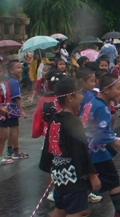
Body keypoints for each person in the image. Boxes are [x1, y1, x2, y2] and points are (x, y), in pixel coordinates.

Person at [39, 77, 101, 217]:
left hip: (59, 174)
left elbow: (48, 148)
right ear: (70, 98)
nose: (82, 97)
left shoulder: (55, 120)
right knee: (76, 212)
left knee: (61, 209)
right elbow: (81, 152)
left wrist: (50, 169)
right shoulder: (73, 122)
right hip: (72, 176)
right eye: (79, 93)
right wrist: (92, 175)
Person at [80, 73, 120, 217]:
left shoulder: (92, 102)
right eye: (118, 89)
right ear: (107, 89)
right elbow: (103, 133)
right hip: (96, 151)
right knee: (112, 179)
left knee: (89, 182)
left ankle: (77, 207)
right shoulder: (102, 108)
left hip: (86, 148)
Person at [6, 61, 29, 159]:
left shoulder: (11, 81)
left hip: (9, 108)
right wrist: (22, 110)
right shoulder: (14, 82)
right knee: (15, 130)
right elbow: (16, 97)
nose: (21, 70)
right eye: (18, 68)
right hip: (13, 108)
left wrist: (21, 105)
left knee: (12, 129)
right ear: (11, 70)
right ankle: (16, 151)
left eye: (21, 68)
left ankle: (10, 149)